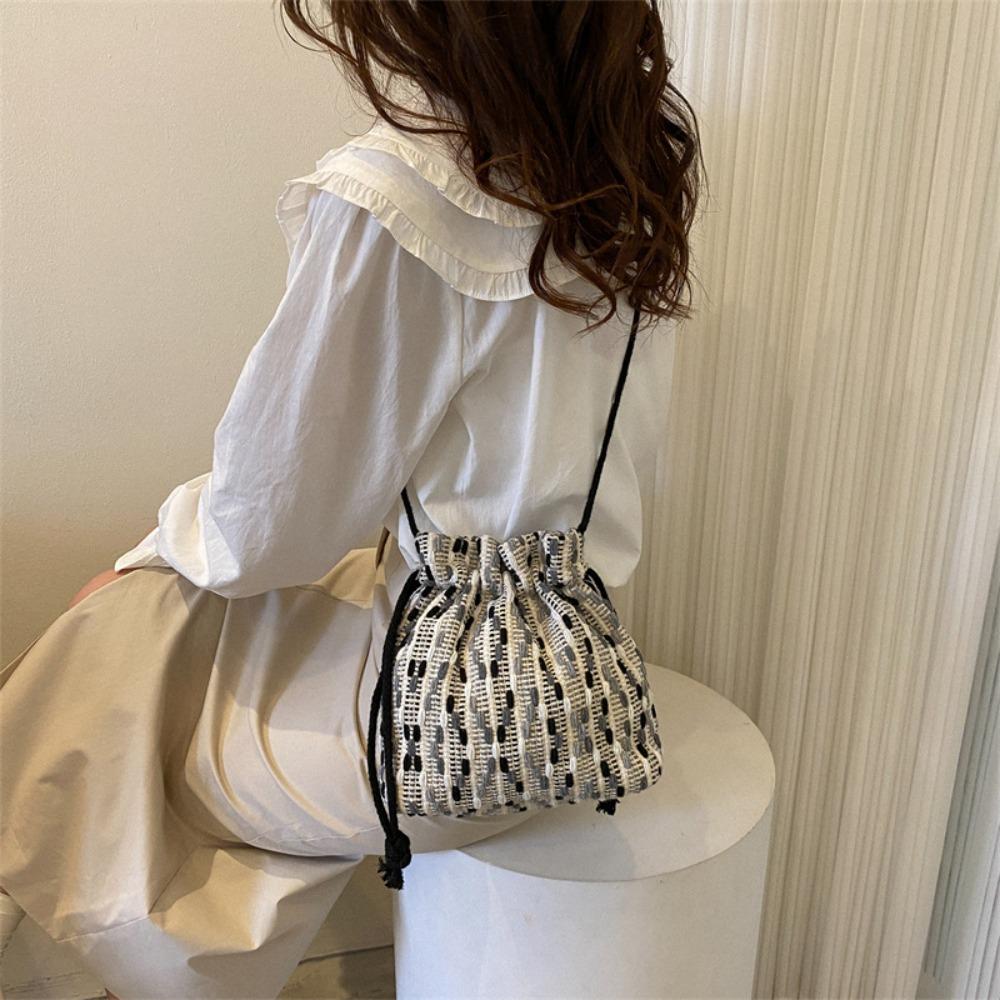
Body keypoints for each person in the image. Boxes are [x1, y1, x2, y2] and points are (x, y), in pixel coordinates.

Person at [0, 2, 703, 997]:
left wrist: (143, 557)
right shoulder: (625, 179)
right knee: (165, 644)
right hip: (570, 685)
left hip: (435, 731)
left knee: (111, 669)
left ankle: (113, 971)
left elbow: (265, 525)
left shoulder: (399, 193)